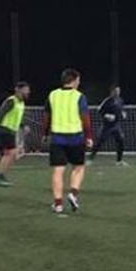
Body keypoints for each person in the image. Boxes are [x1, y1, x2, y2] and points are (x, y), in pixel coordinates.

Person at [43, 68, 92, 213]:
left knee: (58, 171)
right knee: (78, 167)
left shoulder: (52, 95)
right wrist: (88, 136)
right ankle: (73, 194)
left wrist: (45, 133)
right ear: (75, 80)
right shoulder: (79, 96)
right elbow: (85, 118)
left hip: (57, 138)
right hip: (76, 138)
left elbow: (46, 116)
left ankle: (58, 204)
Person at [0, 81, 30, 186]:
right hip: (5, 130)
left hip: (11, 131)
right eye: (26, 90)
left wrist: (23, 126)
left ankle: (1, 176)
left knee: (9, 153)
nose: (28, 92)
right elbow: (0, 114)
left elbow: (17, 117)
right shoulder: (11, 101)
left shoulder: (21, 103)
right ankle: (0, 176)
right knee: (11, 153)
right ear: (18, 90)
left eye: (28, 90)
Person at [92, 85, 128, 164]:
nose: (118, 92)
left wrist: (123, 113)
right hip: (107, 126)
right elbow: (99, 110)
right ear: (112, 92)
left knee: (120, 141)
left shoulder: (120, 100)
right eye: (116, 91)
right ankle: (91, 158)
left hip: (116, 125)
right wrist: (106, 115)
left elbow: (121, 109)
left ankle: (119, 161)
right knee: (100, 142)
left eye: (119, 91)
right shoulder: (108, 100)